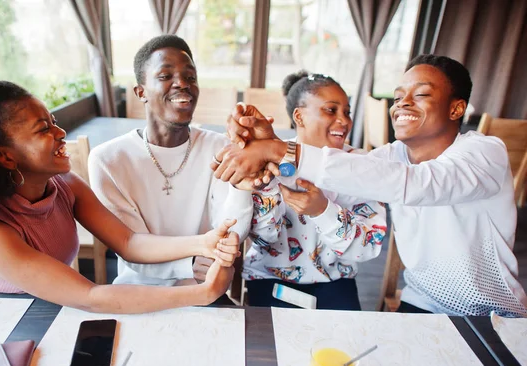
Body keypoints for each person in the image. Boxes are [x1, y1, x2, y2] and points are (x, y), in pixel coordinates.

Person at [212, 54, 527, 317]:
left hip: (493, 312)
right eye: (399, 95)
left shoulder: (485, 152)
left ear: (456, 108)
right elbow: (359, 171)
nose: (401, 103)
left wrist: (282, 154)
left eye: (420, 94)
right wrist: (263, 148)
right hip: (420, 303)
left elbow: (417, 185)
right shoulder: (383, 159)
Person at [0, 62, 241, 314]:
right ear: (4, 155)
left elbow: (129, 241)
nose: (60, 132)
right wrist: (202, 293)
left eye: (53, 121)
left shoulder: (64, 185)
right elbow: (89, 296)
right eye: (44, 130)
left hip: (51, 312)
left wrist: (203, 243)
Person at [88, 35, 252, 291]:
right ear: (140, 92)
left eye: (190, 77)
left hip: (204, 290)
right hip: (137, 292)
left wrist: (244, 182)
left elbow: (231, 229)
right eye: (165, 76)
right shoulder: (108, 160)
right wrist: (187, 264)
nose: (182, 84)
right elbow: (130, 245)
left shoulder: (220, 148)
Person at [243, 71, 386, 310]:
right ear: (299, 116)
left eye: (347, 112)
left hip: (335, 279)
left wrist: (323, 211)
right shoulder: (271, 162)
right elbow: (264, 238)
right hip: (271, 277)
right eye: (331, 110)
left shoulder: (361, 165)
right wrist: (267, 188)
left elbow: (368, 246)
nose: (344, 120)